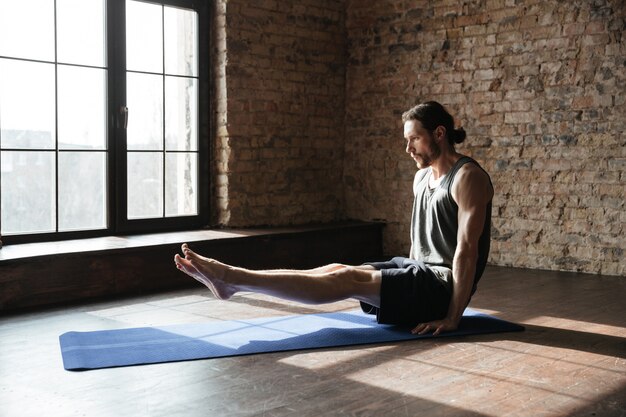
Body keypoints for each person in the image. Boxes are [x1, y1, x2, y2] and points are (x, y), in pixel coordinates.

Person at [174, 101, 493, 336]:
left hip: (440, 285)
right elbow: (420, 244)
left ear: (439, 134)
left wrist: (452, 317)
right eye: (406, 140)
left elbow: (467, 251)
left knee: (345, 281)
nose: (407, 148)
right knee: (337, 269)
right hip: (418, 273)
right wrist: (404, 282)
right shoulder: (421, 178)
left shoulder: (468, 178)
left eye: (414, 139)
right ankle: (232, 281)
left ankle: (233, 277)